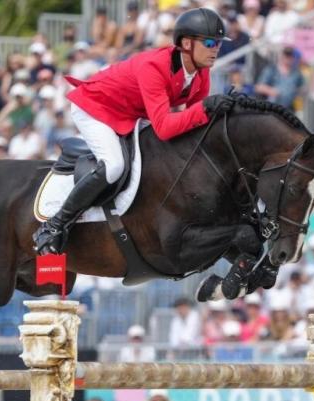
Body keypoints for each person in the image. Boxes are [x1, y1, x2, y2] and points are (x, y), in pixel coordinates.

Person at [34, 8, 235, 255]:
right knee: (114, 165)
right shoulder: (155, 66)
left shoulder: (201, 72)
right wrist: (206, 109)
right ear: (186, 43)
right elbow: (164, 127)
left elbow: (195, 123)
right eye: (210, 43)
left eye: (218, 44)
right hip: (96, 107)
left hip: (131, 114)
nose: (216, 49)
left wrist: (220, 115)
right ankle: (54, 225)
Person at [254, 46, 304, 110]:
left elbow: (303, 88)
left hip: (289, 110)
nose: (288, 58)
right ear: (282, 56)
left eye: (290, 56)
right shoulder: (271, 70)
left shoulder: (297, 73)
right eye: (286, 55)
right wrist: (271, 91)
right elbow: (258, 87)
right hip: (272, 110)